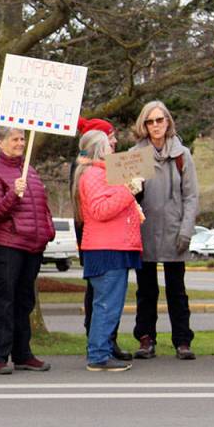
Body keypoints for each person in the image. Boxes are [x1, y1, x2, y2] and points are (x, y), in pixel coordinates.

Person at [0, 127, 55, 374]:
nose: (21, 143)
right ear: (0, 142)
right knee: (5, 300)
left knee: (25, 301)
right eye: (15, 139)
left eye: (22, 138)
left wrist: (48, 228)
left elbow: (42, 205)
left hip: (32, 244)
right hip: (7, 245)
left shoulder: (30, 171)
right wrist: (13, 193)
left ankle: (23, 354)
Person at [131, 101, 198, 360]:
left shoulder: (182, 155)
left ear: (168, 121)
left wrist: (186, 230)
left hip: (174, 229)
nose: (155, 125)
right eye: (150, 121)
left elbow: (191, 196)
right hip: (144, 230)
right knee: (146, 291)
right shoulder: (135, 155)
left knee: (176, 290)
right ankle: (145, 338)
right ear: (144, 125)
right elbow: (124, 195)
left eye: (160, 120)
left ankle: (182, 340)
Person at [74, 130, 143, 371]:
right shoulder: (93, 174)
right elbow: (100, 210)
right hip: (106, 247)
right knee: (106, 305)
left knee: (110, 304)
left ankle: (100, 351)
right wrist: (128, 191)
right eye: (108, 145)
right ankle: (98, 355)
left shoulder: (103, 173)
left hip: (115, 244)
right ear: (99, 149)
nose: (113, 147)